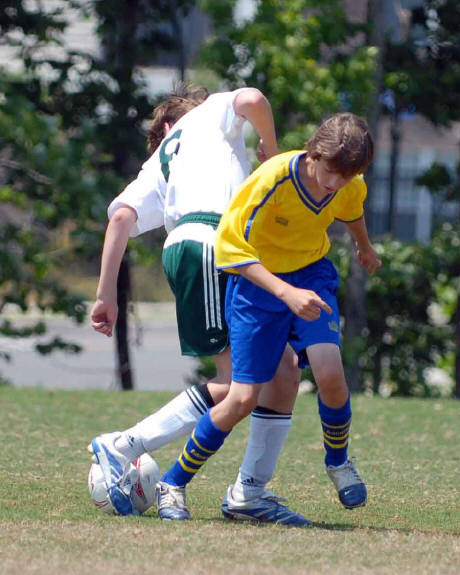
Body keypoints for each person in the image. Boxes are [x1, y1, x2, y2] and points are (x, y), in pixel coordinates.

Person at [89, 83, 308, 525]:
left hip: (222, 252)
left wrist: (105, 294)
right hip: (212, 245)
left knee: (283, 370)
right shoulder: (205, 115)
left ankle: (250, 493)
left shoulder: (161, 162)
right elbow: (253, 99)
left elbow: (121, 218)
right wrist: (271, 148)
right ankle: (125, 445)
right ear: (179, 120)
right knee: (236, 384)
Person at [157, 112, 382, 523]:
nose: (334, 184)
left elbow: (352, 210)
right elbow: (228, 249)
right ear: (314, 153)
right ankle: (172, 483)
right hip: (257, 286)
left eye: (346, 177)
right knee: (241, 399)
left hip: (311, 276)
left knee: (331, 372)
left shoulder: (349, 183)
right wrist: (284, 292)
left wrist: (364, 247)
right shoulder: (273, 179)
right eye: (330, 173)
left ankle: (338, 462)